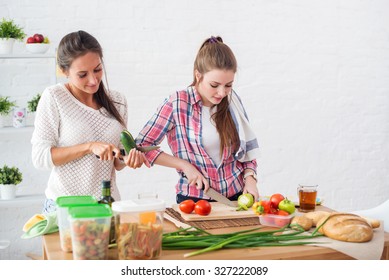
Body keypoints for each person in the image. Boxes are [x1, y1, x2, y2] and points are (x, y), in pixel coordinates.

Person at [31, 30, 145, 213]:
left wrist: (128, 159)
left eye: (98, 69)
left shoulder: (118, 101)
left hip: (107, 206)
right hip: (64, 208)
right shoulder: (55, 97)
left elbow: (117, 162)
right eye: (82, 74)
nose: (93, 80)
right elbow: (40, 158)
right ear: (64, 71)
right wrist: (89, 146)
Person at [136, 36, 260, 203]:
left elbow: (246, 150)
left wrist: (250, 178)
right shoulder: (177, 103)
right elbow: (143, 146)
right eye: (214, 85)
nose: (222, 93)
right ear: (198, 75)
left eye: (228, 85)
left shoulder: (233, 103)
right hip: (194, 200)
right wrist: (184, 166)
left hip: (237, 198)